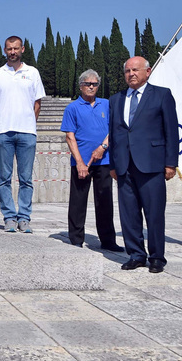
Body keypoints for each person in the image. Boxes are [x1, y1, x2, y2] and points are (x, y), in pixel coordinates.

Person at [109, 56, 178, 273]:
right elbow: (115, 133)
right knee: (128, 214)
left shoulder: (161, 95)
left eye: (136, 70)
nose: (131, 74)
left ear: (147, 72)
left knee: (154, 213)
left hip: (151, 164)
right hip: (124, 165)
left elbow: (171, 131)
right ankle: (136, 254)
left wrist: (170, 163)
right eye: (128, 71)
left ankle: (157, 257)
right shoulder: (116, 99)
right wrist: (113, 163)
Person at [0, 36, 45, 233]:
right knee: (4, 178)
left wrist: (28, 121)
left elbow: (37, 103)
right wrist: (4, 120)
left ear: (23, 49)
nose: (12, 52)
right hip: (3, 132)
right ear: (4, 50)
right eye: (9, 49)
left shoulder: (33, 73)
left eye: (16, 48)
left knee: (26, 178)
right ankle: (9, 217)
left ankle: (24, 217)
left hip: (27, 132)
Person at [61, 69, 124, 251]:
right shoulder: (72, 108)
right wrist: (80, 162)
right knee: (78, 201)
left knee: (104, 201)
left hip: (104, 161)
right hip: (82, 163)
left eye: (94, 84)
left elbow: (114, 129)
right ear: (80, 86)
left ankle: (108, 240)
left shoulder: (107, 104)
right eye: (87, 83)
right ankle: (76, 238)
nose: (91, 87)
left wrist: (103, 147)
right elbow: (70, 137)